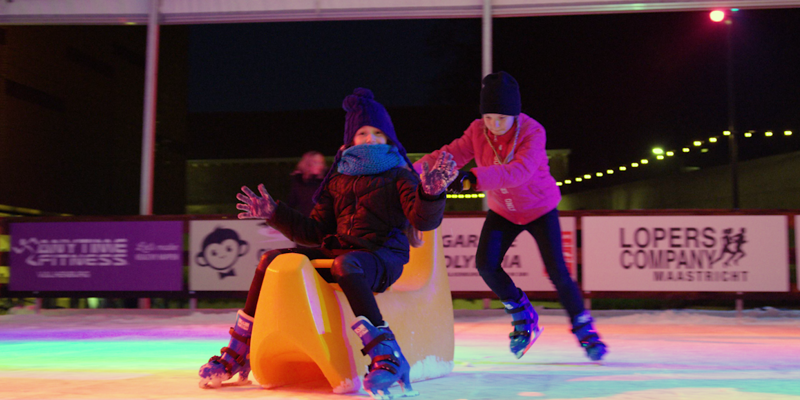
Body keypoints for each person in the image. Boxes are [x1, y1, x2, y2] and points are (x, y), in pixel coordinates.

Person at [198, 88, 459, 396]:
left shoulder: (399, 176)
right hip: (338, 252)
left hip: (380, 257)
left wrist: (431, 194)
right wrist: (275, 214)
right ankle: (240, 351)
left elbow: (422, 220)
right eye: (363, 133)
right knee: (272, 260)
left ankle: (388, 356)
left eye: (378, 133)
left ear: (389, 138)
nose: (371, 139)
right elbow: (314, 232)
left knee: (346, 264)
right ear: (351, 140)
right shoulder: (337, 179)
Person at [415, 71, 607, 361]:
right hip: (503, 211)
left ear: (515, 115)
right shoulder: (478, 130)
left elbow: (519, 172)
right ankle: (522, 315)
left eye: (501, 119)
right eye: (489, 118)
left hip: (539, 209)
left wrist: (470, 180)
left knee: (558, 273)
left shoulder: (533, 132)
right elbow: (450, 154)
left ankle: (584, 328)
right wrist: (408, 171)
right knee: (486, 265)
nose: (494, 125)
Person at [286, 151, 327, 217]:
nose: (319, 165)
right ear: (307, 164)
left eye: (321, 163)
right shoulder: (299, 183)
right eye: (315, 162)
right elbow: (290, 204)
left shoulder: (325, 182)